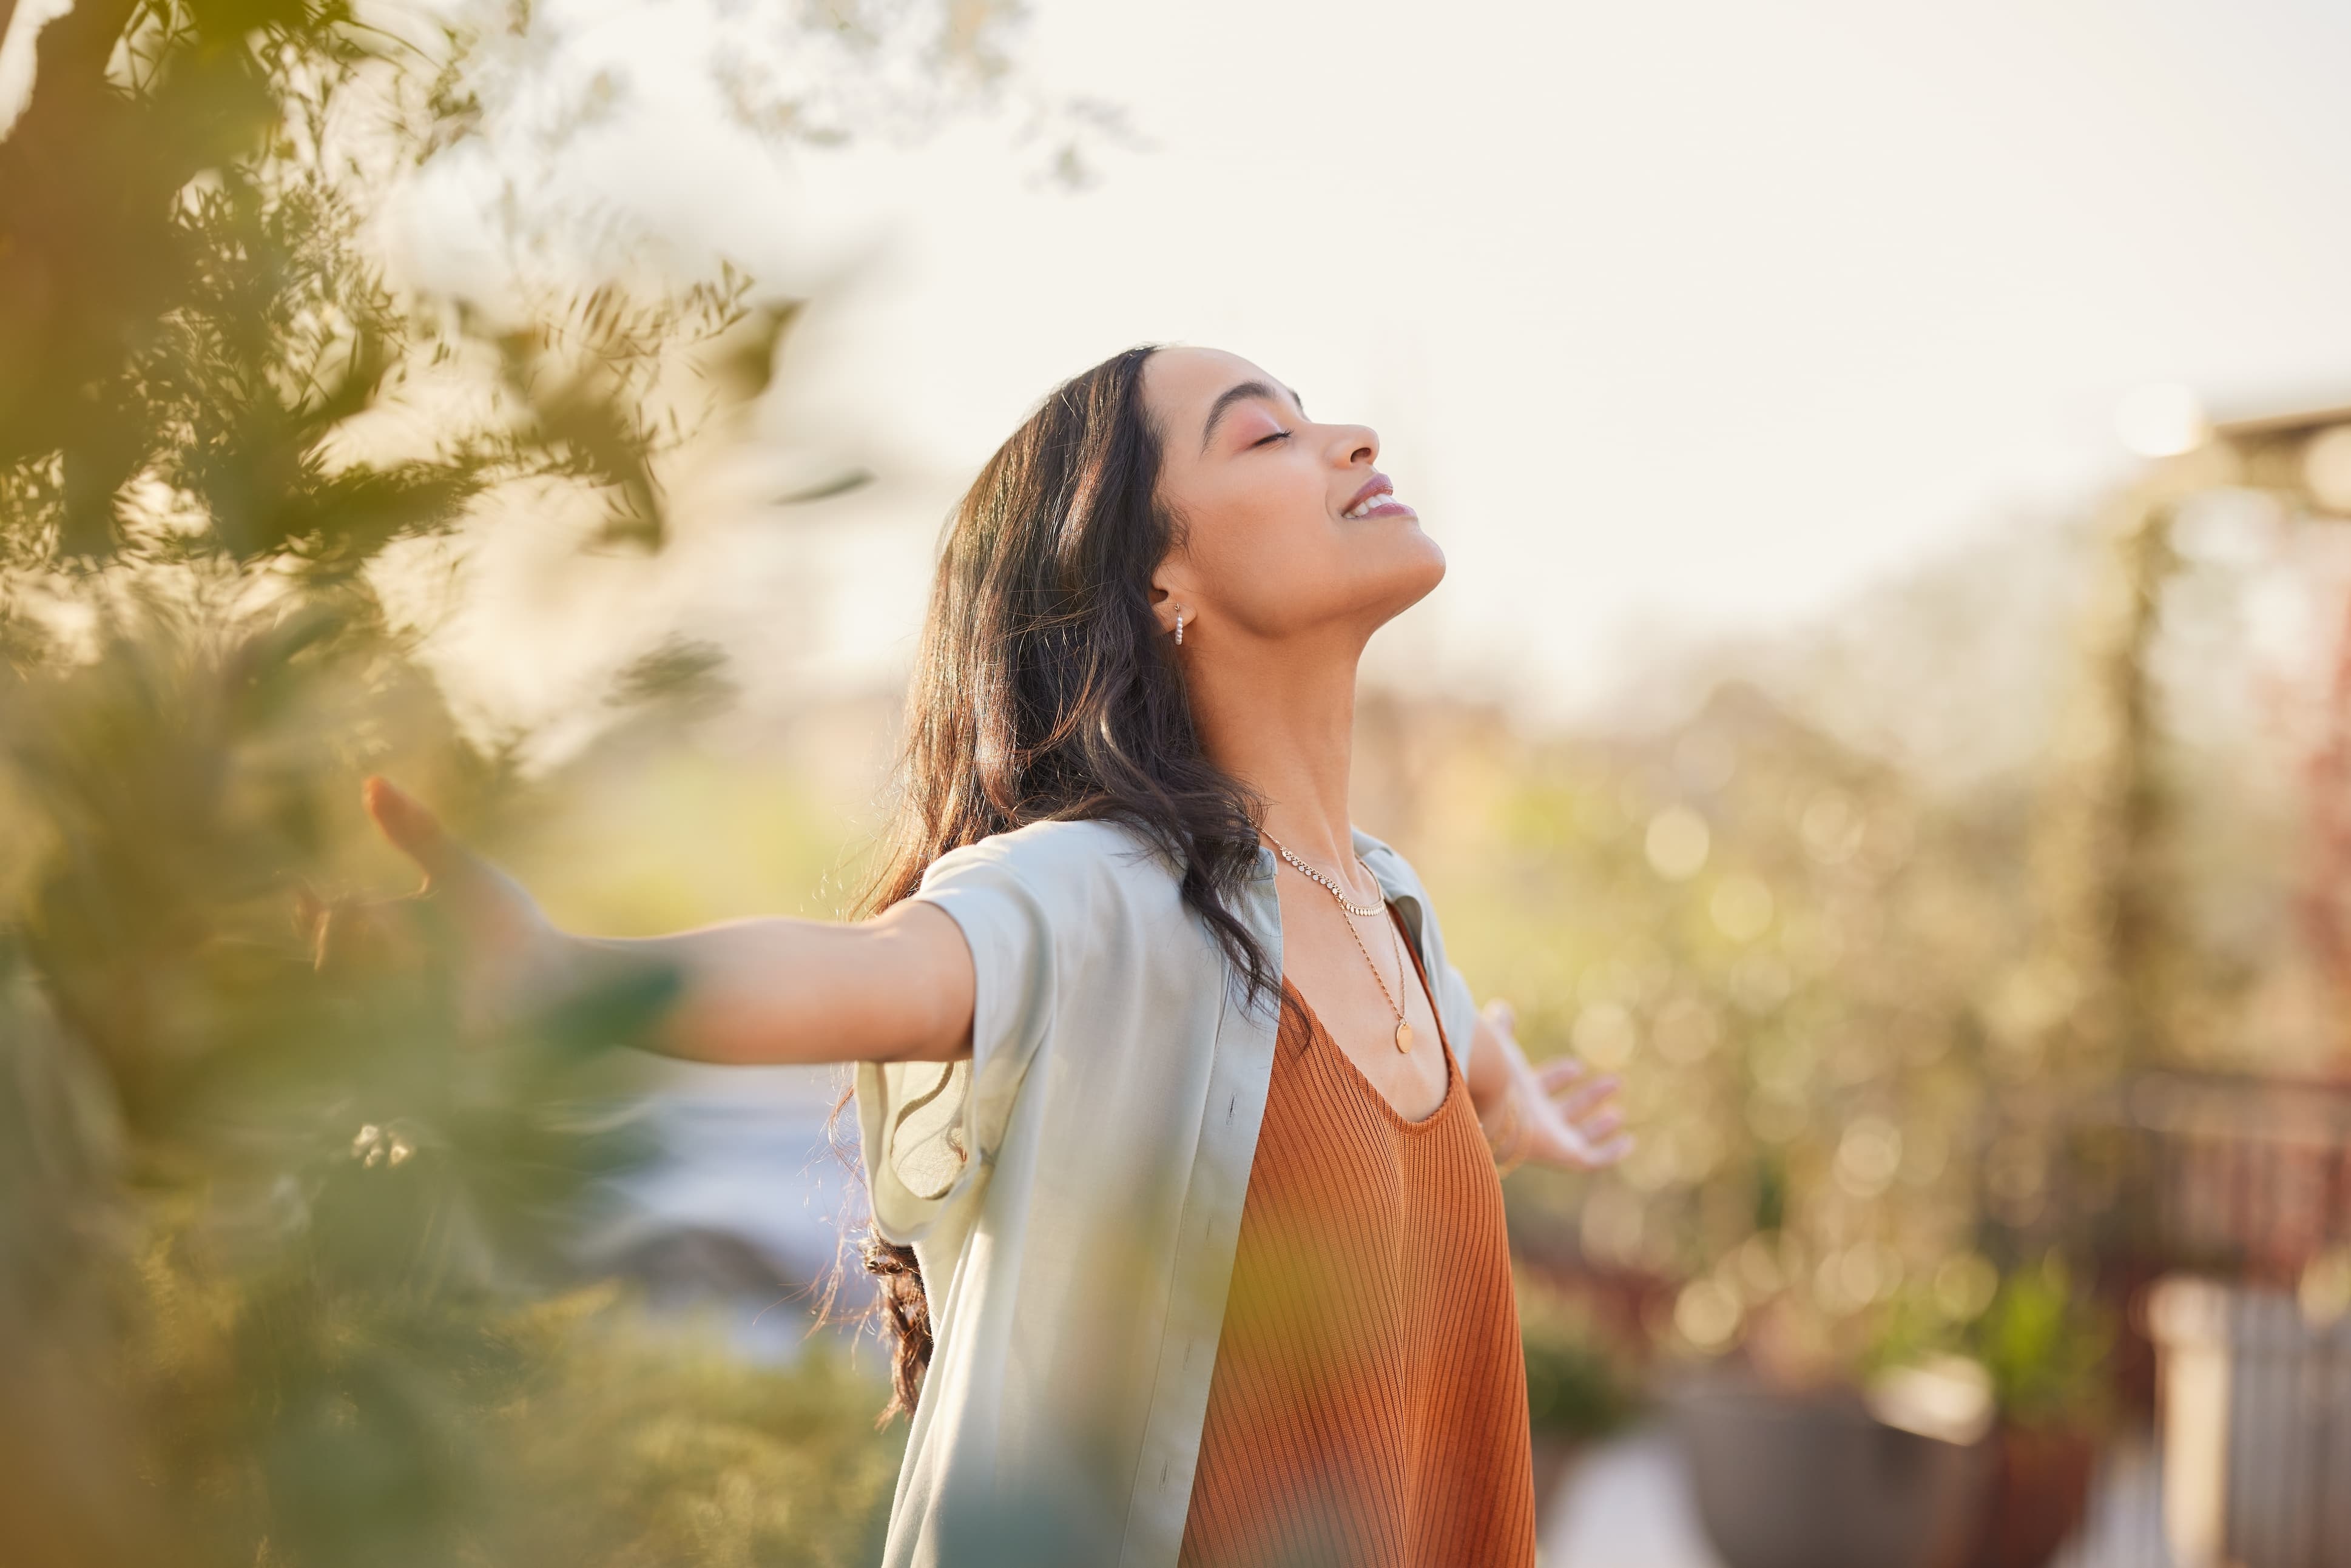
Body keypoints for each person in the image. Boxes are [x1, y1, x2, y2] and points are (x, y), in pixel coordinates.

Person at [340, 344, 1632, 1568]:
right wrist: (564, 980)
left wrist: (1501, 1092)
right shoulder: (1102, 895)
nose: (1353, 441)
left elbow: (1440, 1042)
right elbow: (873, 974)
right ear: (1156, 585)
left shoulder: (1389, 908)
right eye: (1268, 434)